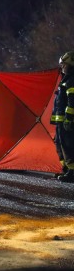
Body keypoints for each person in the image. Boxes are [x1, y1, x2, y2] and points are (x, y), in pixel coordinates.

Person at [51, 51, 74, 182]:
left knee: (68, 145)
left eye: (64, 64)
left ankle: (72, 172)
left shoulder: (72, 79)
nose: (62, 67)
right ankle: (65, 168)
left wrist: (69, 118)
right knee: (60, 144)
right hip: (61, 120)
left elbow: (72, 101)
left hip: (67, 120)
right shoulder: (66, 79)